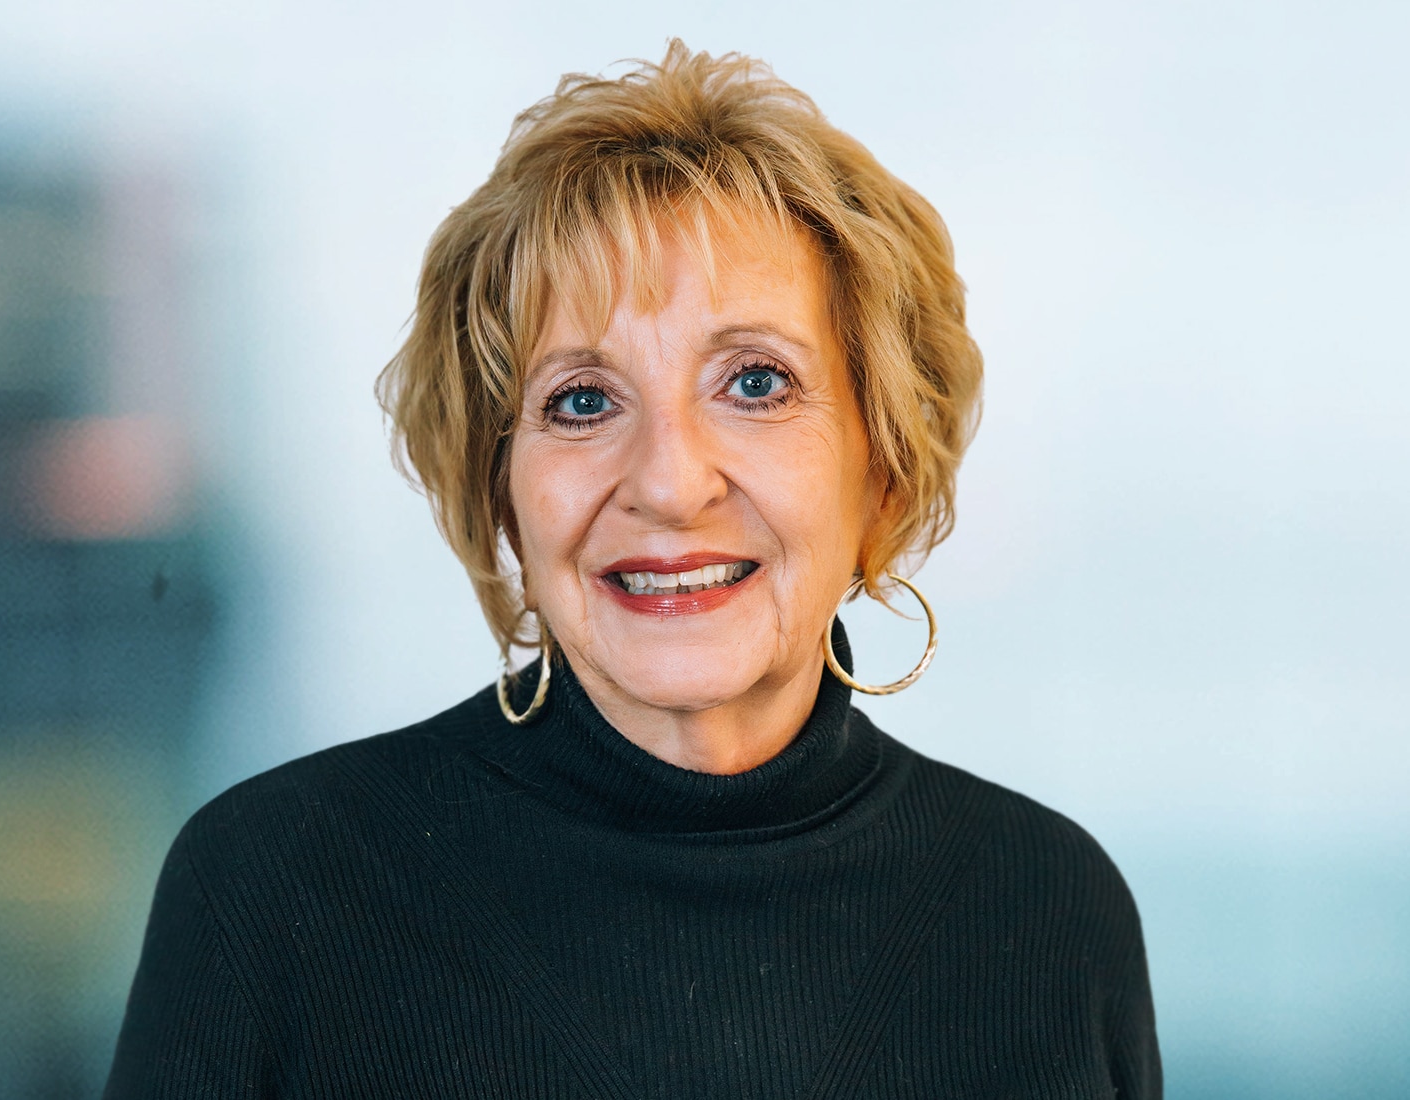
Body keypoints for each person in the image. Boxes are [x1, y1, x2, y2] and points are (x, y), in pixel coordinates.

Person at [105, 41, 1160, 1099]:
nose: (667, 481)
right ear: (501, 493)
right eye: (581, 400)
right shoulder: (274, 889)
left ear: (881, 466)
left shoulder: (1044, 912)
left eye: (755, 382)